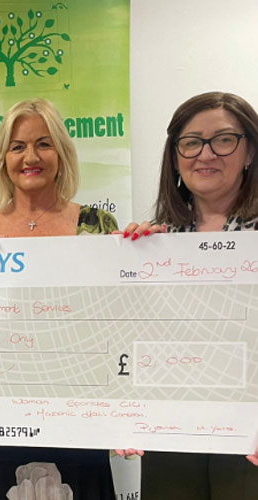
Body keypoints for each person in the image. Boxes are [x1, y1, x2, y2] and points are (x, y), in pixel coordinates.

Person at [0, 98, 118, 500]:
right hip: (3, 421)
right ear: (3, 159)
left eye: (43, 144)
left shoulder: (98, 226)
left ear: (61, 154)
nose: (31, 156)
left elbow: (120, 318)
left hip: (80, 417)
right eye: (17, 146)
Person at [117, 91, 258, 499]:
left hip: (249, 439)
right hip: (173, 431)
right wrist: (119, 413)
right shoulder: (155, 241)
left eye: (224, 139)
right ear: (176, 157)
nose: (206, 154)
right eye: (192, 142)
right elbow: (129, 337)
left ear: (249, 152)